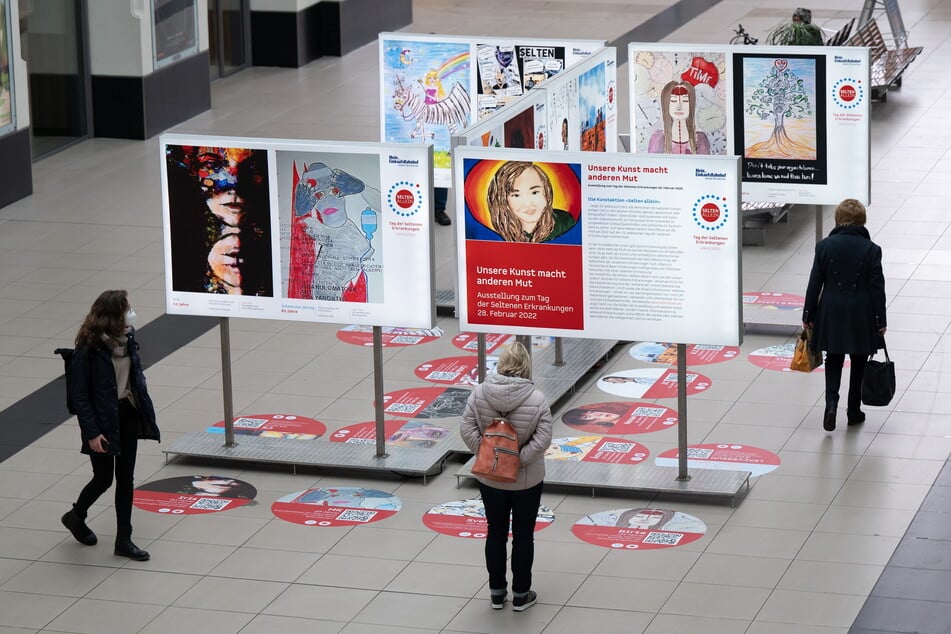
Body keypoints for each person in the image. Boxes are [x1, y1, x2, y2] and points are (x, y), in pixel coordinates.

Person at [61, 290, 160, 561]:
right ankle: (75, 516)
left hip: (127, 413)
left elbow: (133, 377)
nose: (131, 313)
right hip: (102, 420)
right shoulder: (88, 351)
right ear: (113, 315)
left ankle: (124, 539)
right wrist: (92, 433)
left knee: (125, 478)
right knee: (104, 478)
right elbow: (80, 397)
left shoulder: (128, 341)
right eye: (127, 308)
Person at [460, 342, 553, 612]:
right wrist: (516, 461)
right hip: (527, 480)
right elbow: (543, 439)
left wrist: (490, 455)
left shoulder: (479, 393)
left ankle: (497, 593)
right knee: (524, 536)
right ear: (526, 365)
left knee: (495, 532)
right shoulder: (537, 399)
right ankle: (522, 594)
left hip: (490, 478)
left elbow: (466, 427)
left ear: (500, 363)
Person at [803, 199, 886, 431]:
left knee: (834, 358)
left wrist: (808, 313)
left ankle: (831, 404)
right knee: (859, 360)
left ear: (838, 219)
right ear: (862, 220)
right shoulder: (872, 250)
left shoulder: (824, 246)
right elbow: (877, 288)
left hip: (831, 310)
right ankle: (853, 410)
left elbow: (814, 283)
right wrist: (880, 320)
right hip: (861, 311)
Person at [486, 162, 575, 243]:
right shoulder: (496, 235)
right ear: (502, 200)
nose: (528, 203)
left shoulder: (564, 222)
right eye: (516, 195)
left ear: (546, 192)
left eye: (535, 192)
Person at [648, 80, 711, 155]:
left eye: (685, 101)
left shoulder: (701, 139)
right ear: (666, 103)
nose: (679, 107)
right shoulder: (658, 138)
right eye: (674, 101)